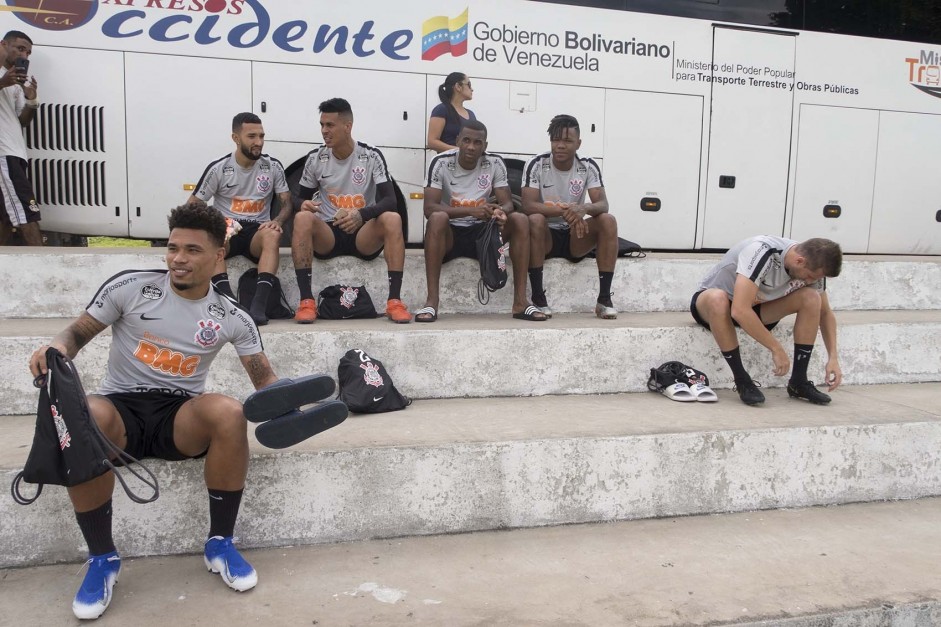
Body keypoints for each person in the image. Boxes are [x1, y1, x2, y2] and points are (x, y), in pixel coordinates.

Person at [28, 202, 279, 620]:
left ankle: (220, 543)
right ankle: (102, 559)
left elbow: (265, 383)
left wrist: (296, 406)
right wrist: (56, 346)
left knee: (229, 411)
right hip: (120, 408)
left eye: (193, 250)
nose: (178, 259)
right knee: (85, 411)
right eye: (172, 247)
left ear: (219, 255)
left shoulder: (233, 317)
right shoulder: (130, 287)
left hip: (178, 417)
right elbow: (76, 333)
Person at [292, 97, 412, 324]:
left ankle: (394, 301)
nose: (324, 131)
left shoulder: (370, 156)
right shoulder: (316, 158)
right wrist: (302, 205)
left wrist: (362, 215)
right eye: (322, 125)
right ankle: (306, 301)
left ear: (347, 126)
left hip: (362, 234)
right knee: (302, 218)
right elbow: (299, 199)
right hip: (329, 233)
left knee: (392, 218)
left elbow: (390, 200)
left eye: (330, 125)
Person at [690, 236, 844, 406]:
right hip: (715, 307)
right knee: (717, 298)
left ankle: (799, 382)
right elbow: (740, 310)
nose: (809, 281)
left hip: (758, 309)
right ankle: (742, 380)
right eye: (809, 277)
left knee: (812, 297)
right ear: (800, 261)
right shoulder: (761, 251)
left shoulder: (814, 264)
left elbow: (825, 314)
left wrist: (833, 358)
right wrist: (776, 348)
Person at [418, 119, 546, 323]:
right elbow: (429, 208)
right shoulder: (440, 162)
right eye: (466, 140)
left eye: (477, 142)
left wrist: (500, 212)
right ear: (458, 140)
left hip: (483, 235)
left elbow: (508, 204)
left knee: (520, 219)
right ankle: (432, 302)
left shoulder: (494, 162)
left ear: (485, 146)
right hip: (450, 235)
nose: (471, 146)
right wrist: (472, 210)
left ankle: (521, 302)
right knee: (437, 218)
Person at [190, 112, 291, 326]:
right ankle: (229, 304)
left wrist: (279, 220)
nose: (259, 142)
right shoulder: (219, 168)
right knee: (214, 238)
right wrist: (215, 222)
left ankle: (259, 306)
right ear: (236, 138)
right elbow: (193, 205)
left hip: (256, 230)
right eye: (252, 136)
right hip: (228, 231)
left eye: (262, 136)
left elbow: (287, 202)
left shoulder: (272, 166)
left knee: (273, 234)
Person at [522, 114, 619, 319]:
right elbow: (528, 205)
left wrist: (583, 209)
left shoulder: (587, 166)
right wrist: (567, 211)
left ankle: (604, 300)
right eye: (556, 140)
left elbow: (603, 204)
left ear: (578, 143)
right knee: (535, 219)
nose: (560, 145)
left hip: (576, 236)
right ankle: (538, 298)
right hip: (545, 236)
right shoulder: (537, 164)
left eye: (567, 141)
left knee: (608, 220)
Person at [0, 30, 41, 246]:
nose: (24, 55)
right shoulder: (6, 78)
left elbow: (22, 121)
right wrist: (2, 82)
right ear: (3, 44)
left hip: (16, 153)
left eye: (28, 52)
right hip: (3, 154)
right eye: (20, 48)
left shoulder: (14, 82)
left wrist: (31, 101)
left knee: (6, 219)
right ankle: (48, 270)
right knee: (27, 212)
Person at [426, 72, 476, 153]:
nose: (472, 89)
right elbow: (432, 142)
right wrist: (460, 151)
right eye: (469, 85)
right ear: (458, 87)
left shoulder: (471, 114)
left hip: (468, 163)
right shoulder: (441, 110)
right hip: (448, 162)